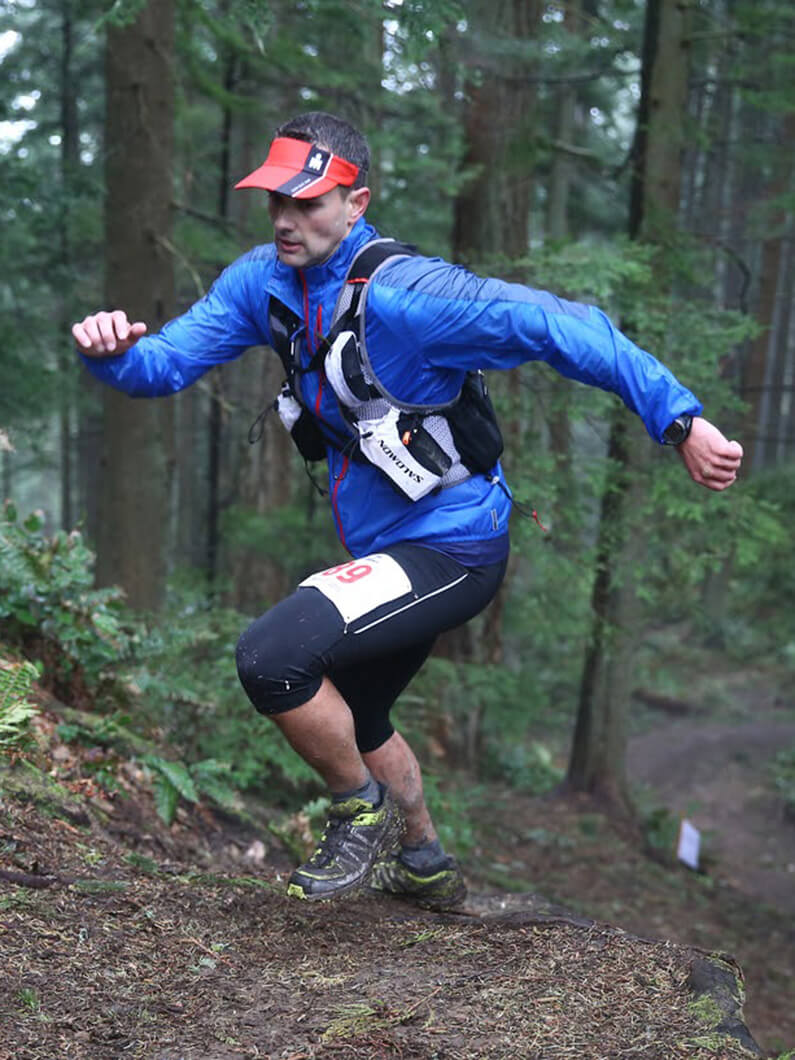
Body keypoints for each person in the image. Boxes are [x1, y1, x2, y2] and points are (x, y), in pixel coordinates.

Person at [72, 111, 743, 910]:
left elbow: (567, 326)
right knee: (357, 710)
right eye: (274, 203)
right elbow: (163, 365)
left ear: (356, 203)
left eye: (309, 203)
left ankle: (361, 815)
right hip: (382, 546)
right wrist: (108, 355)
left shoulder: (411, 296)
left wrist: (679, 420)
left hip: (455, 547)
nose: (286, 220)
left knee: (272, 657)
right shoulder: (262, 283)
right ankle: (422, 861)